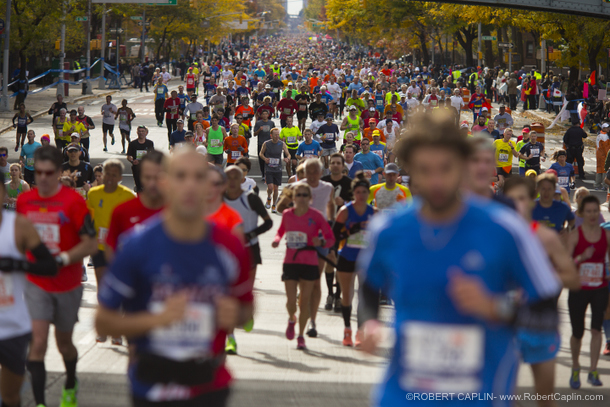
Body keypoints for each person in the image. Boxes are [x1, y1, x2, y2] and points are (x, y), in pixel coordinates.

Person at [358, 111, 562, 406]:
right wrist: (371, 323)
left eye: (445, 168)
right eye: (425, 170)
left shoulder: (504, 229)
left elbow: (547, 308)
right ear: (410, 171)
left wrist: (496, 307)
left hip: (479, 393)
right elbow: (368, 287)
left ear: (462, 166)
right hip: (404, 393)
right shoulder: (388, 231)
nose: (436, 180)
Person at [95, 146, 253, 406]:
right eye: (181, 176)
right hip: (153, 385)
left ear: (211, 186)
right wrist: (159, 319)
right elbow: (103, 322)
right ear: (166, 183)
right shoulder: (136, 244)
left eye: (198, 177)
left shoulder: (230, 245)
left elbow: (246, 309)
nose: (190, 185)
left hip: (208, 384)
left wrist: (235, 314)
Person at [16, 146, 97, 407]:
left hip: (67, 283)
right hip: (35, 282)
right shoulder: (25, 201)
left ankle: (71, 382)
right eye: (38, 172)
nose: (43, 178)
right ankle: (40, 403)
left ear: (60, 172)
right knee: (38, 343)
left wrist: (60, 260)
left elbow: (90, 244)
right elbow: (19, 239)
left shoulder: (74, 203)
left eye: (49, 173)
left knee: (64, 344)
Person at [503, 176, 581, 407]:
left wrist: (538, 278)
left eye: (521, 198)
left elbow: (573, 279)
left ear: (530, 201)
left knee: (545, 399)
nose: (517, 204)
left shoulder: (546, 237)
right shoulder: (496, 237)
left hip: (541, 324)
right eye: (511, 199)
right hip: (505, 325)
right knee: (503, 396)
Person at [0, 180, 58, 407]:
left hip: (13, 326)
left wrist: (18, 265)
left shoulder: (19, 226)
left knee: (11, 396)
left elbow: (49, 266)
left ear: (4, 194)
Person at [272, 181, 335, 350]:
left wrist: (320, 241)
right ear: (293, 197)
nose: (300, 198)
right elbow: (280, 232)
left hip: (310, 262)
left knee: (304, 301)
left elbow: (330, 238)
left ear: (310, 198)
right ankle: (292, 318)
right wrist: (277, 240)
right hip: (291, 262)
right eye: (297, 195)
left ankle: (301, 335)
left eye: (304, 195)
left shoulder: (316, 216)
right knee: (291, 302)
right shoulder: (287, 214)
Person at [567, 195, 610, 389]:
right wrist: (581, 258)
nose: (593, 214)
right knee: (577, 332)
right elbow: (567, 264)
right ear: (582, 213)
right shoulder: (575, 235)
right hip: (579, 288)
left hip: (600, 288)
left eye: (596, 211)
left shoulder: (606, 235)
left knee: (596, 328)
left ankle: (593, 369)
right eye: (589, 211)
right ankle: (576, 367)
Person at [332, 172, 375, 347]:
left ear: (368, 194)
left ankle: (360, 332)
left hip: (365, 260)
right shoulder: (345, 211)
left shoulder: (374, 213)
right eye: (358, 192)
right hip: (347, 256)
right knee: (347, 295)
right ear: (354, 193)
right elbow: (335, 235)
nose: (361, 195)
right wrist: (353, 229)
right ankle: (347, 330)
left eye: (364, 192)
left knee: (364, 298)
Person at [106, 150, 165, 261]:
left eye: (157, 177)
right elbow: (110, 249)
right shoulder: (122, 211)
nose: (152, 183)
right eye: (147, 178)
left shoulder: (179, 211)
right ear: (140, 177)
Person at [532, 173, 575, 238]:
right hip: (535, 244)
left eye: (549, 189)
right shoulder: (531, 207)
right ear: (538, 189)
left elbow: (572, 220)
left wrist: (567, 230)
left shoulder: (562, 207)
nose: (546, 193)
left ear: (554, 189)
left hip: (556, 244)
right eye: (543, 189)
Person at [259, 128, 290, 213]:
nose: (277, 136)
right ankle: (269, 197)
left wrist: (287, 158)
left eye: (278, 134)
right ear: (271, 135)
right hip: (269, 168)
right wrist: (265, 158)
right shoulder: (266, 143)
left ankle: (274, 205)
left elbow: (288, 154)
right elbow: (261, 153)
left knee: (276, 188)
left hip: (278, 169)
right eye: (275, 135)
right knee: (270, 187)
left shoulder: (282, 144)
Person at [127, 125, 155, 193]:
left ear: (146, 133)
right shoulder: (132, 144)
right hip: (136, 168)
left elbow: (153, 155)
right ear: (137, 132)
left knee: (147, 185)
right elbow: (128, 156)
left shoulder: (150, 143)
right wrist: (132, 161)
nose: (141, 133)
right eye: (139, 131)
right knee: (139, 186)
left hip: (147, 168)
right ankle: (139, 197)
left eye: (143, 131)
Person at [254, 110, 275, 179]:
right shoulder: (258, 123)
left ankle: (268, 173)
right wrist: (259, 130)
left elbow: (274, 132)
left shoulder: (271, 123)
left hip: (270, 144)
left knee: (269, 159)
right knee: (261, 159)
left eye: (266, 114)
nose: (265, 115)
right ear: (261, 115)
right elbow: (254, 134)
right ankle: (263, 174)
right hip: (261, 143)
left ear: (268, 115)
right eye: (263, 114)